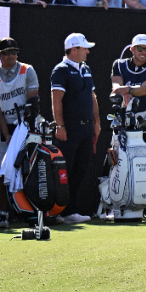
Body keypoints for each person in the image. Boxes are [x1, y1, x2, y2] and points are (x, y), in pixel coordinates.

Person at [0, 37, 39, 230]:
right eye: (6, 53)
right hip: (5, 128)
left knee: (30, 170)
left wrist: (25, 129)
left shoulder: (27, 70)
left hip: (26, 126)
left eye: (14, 52)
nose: (11, 56)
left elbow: (33, 103)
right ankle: (2, 213)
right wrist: (7, 135)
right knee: (1, 171)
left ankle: (33, 211)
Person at [50, 33, 99, 224]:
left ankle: (71, 210)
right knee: (63, 171)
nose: (88, 51)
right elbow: (56, 100)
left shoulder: (86, 69)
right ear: (74, 50)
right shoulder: (60, 70)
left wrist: (97, 123)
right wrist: (60, 126)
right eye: (84, 48)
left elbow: (92, 97)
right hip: (69, 129)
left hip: (86, 129)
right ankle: (55, 211)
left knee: (80, 170)